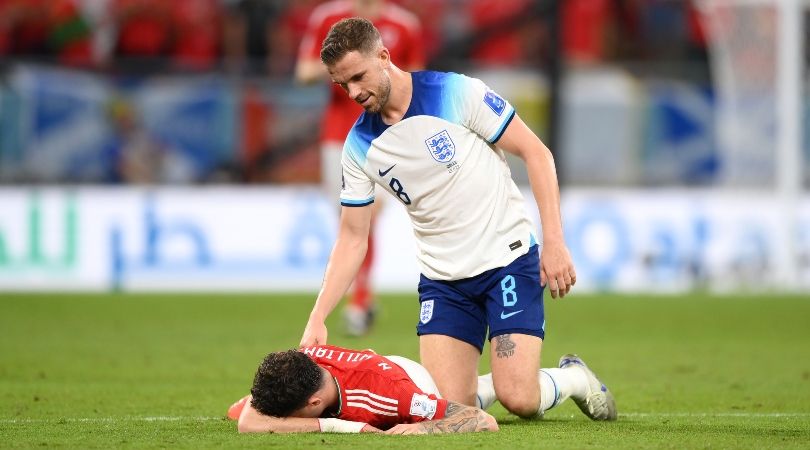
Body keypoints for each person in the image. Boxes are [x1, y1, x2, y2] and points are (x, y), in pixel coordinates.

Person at [298, 18, 617, 421]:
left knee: (519, 398)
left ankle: (573, 378)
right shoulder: (360, 146)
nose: (354, 92)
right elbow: (352, 238)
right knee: (447, 410)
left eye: (359, 77)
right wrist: (318, 316)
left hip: (507, 261)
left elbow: (537, 154)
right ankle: (487, 386)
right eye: (343, 85)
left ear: (384, 56)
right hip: (444, 280)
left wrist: (554, 241)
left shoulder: (455, 91)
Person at [295, 0, 425, 336]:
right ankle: (361, 298)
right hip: (338, 136)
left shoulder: (405, 25)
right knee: (349, 219)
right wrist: (348, 68)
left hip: (384, 134)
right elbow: (304, 71)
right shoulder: (327, 18)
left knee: (370, 216)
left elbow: (415, 78)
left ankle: (360, 301)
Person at [227, 345, 611, 433]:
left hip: (410, 382)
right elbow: (248, 420)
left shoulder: (393, 396)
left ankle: (575, 378)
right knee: (478, 390)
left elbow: (482, 423)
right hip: (387, 371)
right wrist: (342, 427)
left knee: (480, 401)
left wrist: (420, 427)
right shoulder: (303, 359)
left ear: (313, 402)